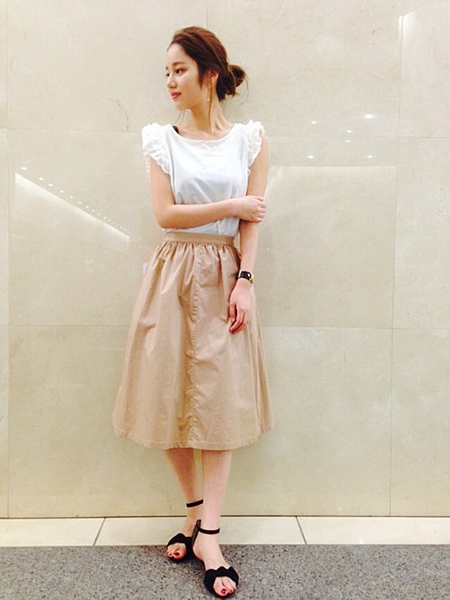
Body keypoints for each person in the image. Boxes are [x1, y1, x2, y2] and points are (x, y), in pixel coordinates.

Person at [112, 25, 273, 598]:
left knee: (220, 402)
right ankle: (194, 511)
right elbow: (166, 215)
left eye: (179, 69)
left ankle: (210, 534)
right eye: (166, 72)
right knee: (169, 394)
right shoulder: (162, 141)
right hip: (173, 273)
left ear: (210, 73)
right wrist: (232, 202)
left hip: (226, 272)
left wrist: (245, 282)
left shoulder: (250, 140)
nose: (170, 81)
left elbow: (251, 222)